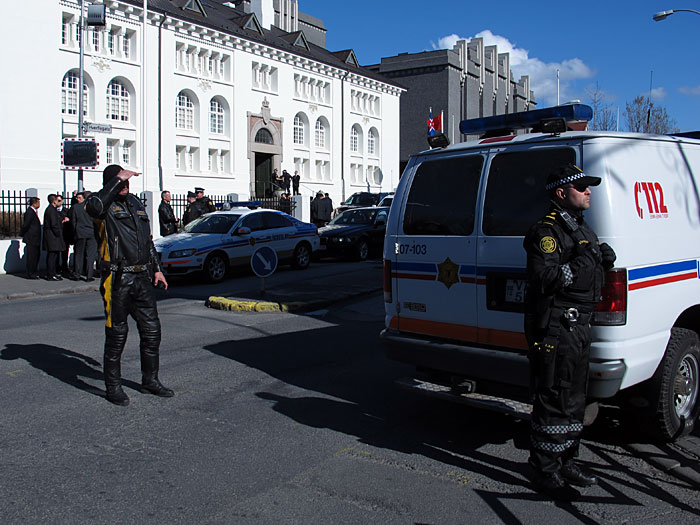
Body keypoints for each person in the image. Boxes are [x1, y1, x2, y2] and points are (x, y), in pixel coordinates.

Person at [523, 163, 616, 501]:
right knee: (554, 396)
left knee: (576, 397)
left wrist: (601, 260)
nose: (588, 192)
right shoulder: (546, 232)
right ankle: (543, 467)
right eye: (582, 188)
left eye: (589, 187)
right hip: (557, 328)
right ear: (562, 193)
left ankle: (567, 460)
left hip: (579, 328)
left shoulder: (580, 227)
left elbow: (587, 265)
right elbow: (544, 280)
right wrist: (581, 265)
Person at [86, 164, 173, 406]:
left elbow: (147, 240)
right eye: (120, 180)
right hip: (117, 278)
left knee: (152, 331)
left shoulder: (136, 203)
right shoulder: (100, 204)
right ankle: (113, 387)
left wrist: (157, 269)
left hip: (142, 276)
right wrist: (114, 183)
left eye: (127, 181)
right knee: (117, 334)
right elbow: (94, 207)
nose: (125, 184)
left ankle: (150, 380)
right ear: (110, 182)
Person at [71, 192, 97, 281]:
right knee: (90, 254)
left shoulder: (76, 207)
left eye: (79, 197)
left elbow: (73, 221)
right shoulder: (91, 207)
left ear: (84, 198)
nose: (77, 199)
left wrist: (75, 231)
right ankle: (89, 275)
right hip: (91, 232)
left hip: (80, 232)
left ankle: (77, 274)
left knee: (79, 254)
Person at [43, 194, 66, 281]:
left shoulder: (51, 210)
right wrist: (58, 233)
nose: (58, 202)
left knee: (53, 256)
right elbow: (53, 224)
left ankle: (52, 273)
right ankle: (51, 274)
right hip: (53, 237)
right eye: (58, 200)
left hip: (52, 236)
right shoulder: (51, 210)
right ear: (54, 201)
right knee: (52, 256)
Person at [20, 196, 42, 279]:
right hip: (31, 238)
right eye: (38, 202)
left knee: (36, 256)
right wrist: (22, 233)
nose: (39, 204)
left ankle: (34, 272)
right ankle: (31, 273)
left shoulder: (32, 212)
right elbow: (26, 225)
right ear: (34, 203)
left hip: (35, 238)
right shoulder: (29, 212)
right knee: (32, 257)